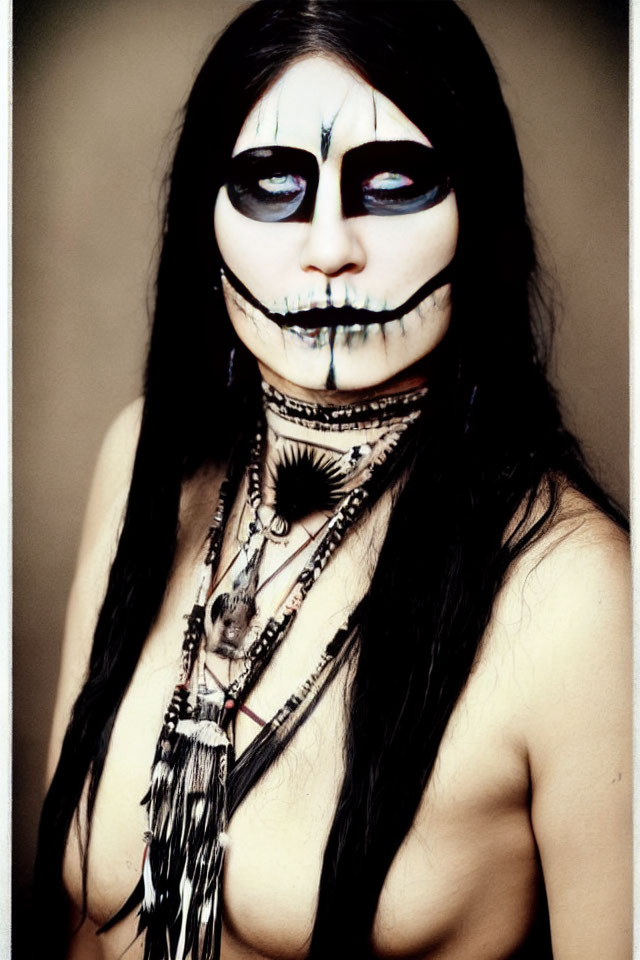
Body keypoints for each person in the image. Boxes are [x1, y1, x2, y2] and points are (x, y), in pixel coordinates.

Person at [35, 2, 631, 958]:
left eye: (392, 183)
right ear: (206, 218)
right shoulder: (146, 462)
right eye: (272, 184)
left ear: (479, 210)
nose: (327, 248)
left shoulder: (574, 594)